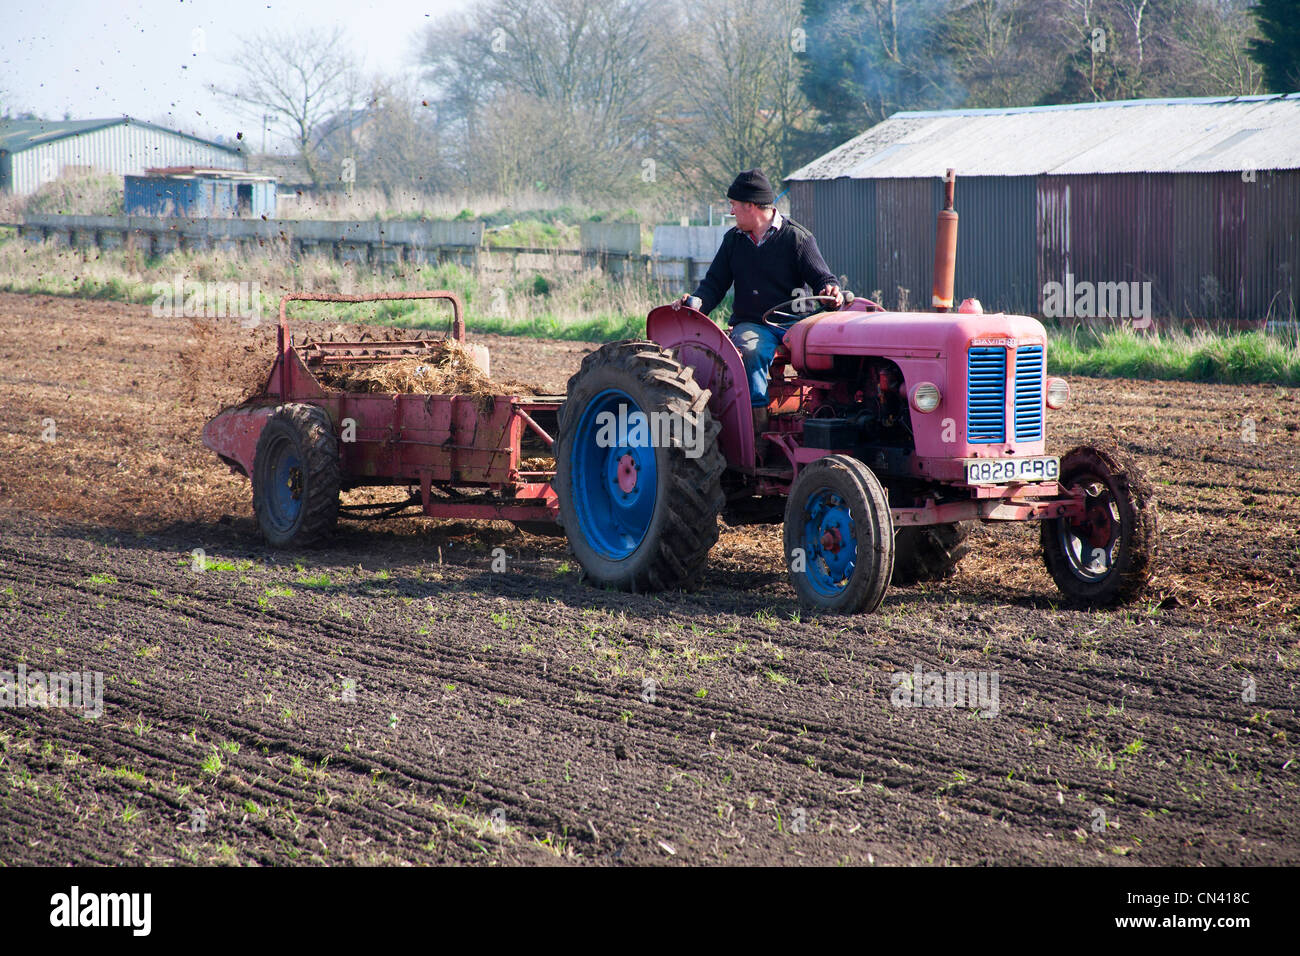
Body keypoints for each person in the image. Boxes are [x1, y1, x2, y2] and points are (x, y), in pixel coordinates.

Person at [675, 169, 842, 440]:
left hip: (794, 322)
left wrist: (829, 289)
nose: (731, 212)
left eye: (734, 206)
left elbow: (823, 277)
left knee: (824, 352)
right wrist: (695, 304)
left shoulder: (797, 238)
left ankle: (821, 413)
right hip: (754, 323)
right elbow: (714, 284)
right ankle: (758, 438)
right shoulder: (733, 241)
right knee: (751, 351)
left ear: (751, 206)